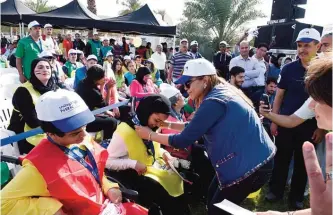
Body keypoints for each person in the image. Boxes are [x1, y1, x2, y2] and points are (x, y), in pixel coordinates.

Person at [135, 58, 275, 215]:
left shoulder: (214, 101)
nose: (185, 88)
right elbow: (196, 127)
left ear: (205, 80)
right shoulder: (219, 92)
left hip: (250, 166)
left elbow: (182, 140)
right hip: (248, 160)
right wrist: (168, 125)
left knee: (218, 209)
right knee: (213, 201)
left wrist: (150, 135)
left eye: (188, 83)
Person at [1, 89, 123, 215]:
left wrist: (108, 187)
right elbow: (4, 203)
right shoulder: (38, 168)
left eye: (84, 127)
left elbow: (94, 171)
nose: (84, 135)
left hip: (104, 207)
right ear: (51, 134)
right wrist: (49, 208)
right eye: (74, 133)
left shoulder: (82, 139)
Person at [257, 55, 332, 215]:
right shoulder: (311, 101)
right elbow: (292, 120)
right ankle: (277, 191)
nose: (310, 105)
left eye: (316, 98)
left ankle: (296, 196)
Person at [265, 28, 323, 209]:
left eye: (307, 45)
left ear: (318, 46)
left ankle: (296, 197)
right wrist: (274, 119)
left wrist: (321, 128)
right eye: (299, 45)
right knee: (281, 159)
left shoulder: (324, 70)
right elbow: (279, 96)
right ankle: (276, 191)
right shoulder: (289, 68)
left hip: (310, 126)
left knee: (303, 162)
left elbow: (326, 104)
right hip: (286, 122)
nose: (302, 49)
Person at [105, 95, 187, 215]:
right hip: (134, 174)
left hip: (152, 167)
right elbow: (108, 162)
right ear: (146, 112)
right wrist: (133, 164)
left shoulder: (148, 127)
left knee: (176, 177)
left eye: (161, 122)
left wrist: (165, 154)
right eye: (156, 120)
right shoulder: (124, 132)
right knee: (161, 191)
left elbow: (155, 148)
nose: (158, 125)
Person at [7, 58, 61, 154]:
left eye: (48, 67)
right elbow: (33, 122)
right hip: (24, 135)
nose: (45, 70)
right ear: (33, 71)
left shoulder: (54, 88)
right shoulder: (23, 91)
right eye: (40, 67)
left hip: (49, 130)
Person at [76, 65, 119, 139]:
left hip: (83, 114)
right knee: (112, 122)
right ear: (96, 79)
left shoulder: (82, 82)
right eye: (102, 77)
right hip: (85, 121)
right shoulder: (93, 92)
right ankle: (106, 142)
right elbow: (106, 106)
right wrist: (108, 88)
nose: (104, 78)